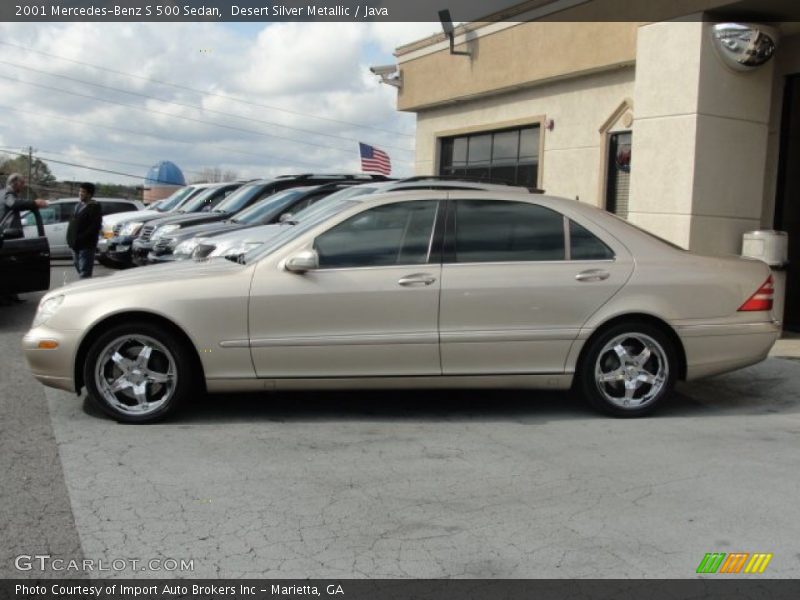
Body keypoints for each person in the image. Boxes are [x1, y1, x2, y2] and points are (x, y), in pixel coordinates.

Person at [1, 173, 48, 304]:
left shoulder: (3, 193)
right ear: (14, 183)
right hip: (8, 238)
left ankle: (11, 295)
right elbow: (14, 204)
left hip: (8, 237)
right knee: (10, 268)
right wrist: (34, 203)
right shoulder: (8, 195)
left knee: (13, 269)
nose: (23, 185)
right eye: (22, 183)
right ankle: (7, 296)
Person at [66, 182, 102, 279]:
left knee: (84, 273)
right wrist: (70, 239)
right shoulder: (77, 206)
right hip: (75, 245)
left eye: (83, 192)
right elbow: (72, 224)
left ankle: (84, 292)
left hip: (86, 246)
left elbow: (94, 227)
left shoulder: (94, 207)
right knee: (79, 269)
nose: (80, 193)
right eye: (80, 191)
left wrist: (81, 238)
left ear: (89, 194)